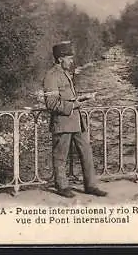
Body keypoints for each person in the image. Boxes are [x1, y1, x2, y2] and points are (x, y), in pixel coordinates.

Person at [42, 41, 108, 198]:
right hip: (63, 123)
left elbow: (68, 97)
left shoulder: (65, 74)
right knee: (60, 156)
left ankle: (91, 186)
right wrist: (74, 105)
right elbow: (51, 104)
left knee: (87, 153)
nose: (71, 61)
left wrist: (82, 98)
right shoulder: (51, 76)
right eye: (69, 58)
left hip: (77, 122)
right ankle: (62, 186)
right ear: (60, 59)